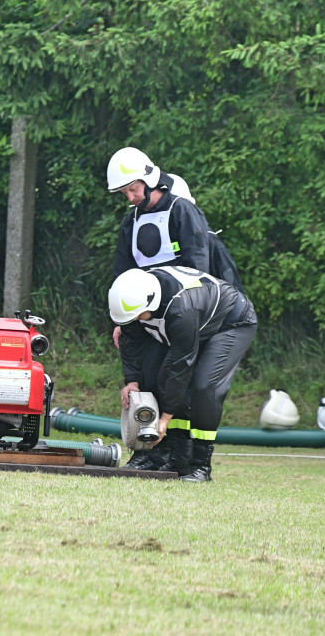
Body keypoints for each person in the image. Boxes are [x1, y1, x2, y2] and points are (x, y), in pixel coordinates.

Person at [107, 146, 241, 470]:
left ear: (150, 181)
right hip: (145, 313)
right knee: (148, 376)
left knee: (180, 379)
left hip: (183, 312)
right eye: (125, 192)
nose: (129, 197)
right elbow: (122, 273)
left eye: (132, 189)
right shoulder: (131, 222)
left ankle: (179, 458)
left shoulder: (182, 211)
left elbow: (199, 267)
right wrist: (119, 318)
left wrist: (196, 320)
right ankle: (148, 452)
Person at [108, 266, 256, 482]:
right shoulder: (133, 300)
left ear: (151, 303)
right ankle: (175, 460)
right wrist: (132, 381)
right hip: (196, 320)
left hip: (230, 322)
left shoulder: (180, 310)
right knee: (154, 376)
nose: (138, 320)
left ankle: (200, 465)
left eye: (140, 316)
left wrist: (165, 417)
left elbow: (180, 366)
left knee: (203, 386)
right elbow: (131, 343)